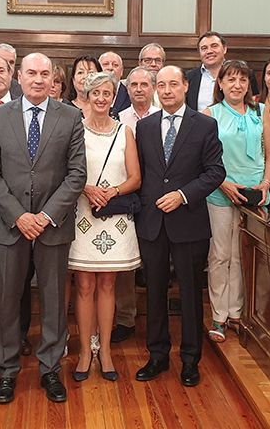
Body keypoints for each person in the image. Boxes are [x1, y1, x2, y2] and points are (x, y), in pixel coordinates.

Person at [0, 53, 86, 405]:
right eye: (31, 73)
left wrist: (45, 216)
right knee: (8, 300)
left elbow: (76, 174)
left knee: (55, 301)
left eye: (45, 74)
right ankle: (8, 371)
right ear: (18, 76)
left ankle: (50, 369)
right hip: (11, 226)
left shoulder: (71, 116)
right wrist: (18, 216)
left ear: (52, 78)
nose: (38, 79)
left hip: (52, 226)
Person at [135, 66, 225, 388]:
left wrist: (183, 195)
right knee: (154, 292)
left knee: (188, 294)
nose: (168, 90)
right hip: (153, 222)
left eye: (174, 84)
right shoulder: (143, 127)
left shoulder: (205, 125)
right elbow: (142, 173)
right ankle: (157, 355)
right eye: (162, 85)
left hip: (188, 221)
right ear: (156, 89)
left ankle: (190, 360)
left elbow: (215, 173)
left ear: (186, 86)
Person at [68, 72, 141, 383]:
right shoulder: (75, 131)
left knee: (108, 286)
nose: (100, 98)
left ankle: (106, 351)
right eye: (95, 93)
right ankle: (85, 351)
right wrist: (86, 187)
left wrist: (112, 192)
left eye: (107, 93)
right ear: (86, 95)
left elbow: (136, 178)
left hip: (113, 220)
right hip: (83, 215)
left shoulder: (125, 132)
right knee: (84, 287)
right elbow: (65, 171)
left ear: (113, 97)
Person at [202, 60, 270, 342]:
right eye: (230, 79)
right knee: (220, 256)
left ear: (249, 84)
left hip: (255, 194)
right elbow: (203, 159)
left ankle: (238, 312)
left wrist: (266, 183)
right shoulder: (210, 114)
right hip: (219, 191)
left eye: (242, 80)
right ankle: (218, 316)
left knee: (243, 255)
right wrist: (223, 183)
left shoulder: (261, 111)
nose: (237, 85)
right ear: (220, 84)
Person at [112, 66, 159, 343]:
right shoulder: (118, 120)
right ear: (126, 90)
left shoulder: (161, 117)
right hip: (126, 197)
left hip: (156, 198)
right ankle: (125, 317)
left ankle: (155, 319)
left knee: (154, 262)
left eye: (144, 84)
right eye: (133, 85)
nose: (139, 89)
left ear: (152, 88)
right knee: (125, 262)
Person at [99, 51, 130, 117]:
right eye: (105, 64)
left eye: (115, 65)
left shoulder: (130, 94)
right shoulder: (90, 94)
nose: (110, 68)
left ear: (121, 71)